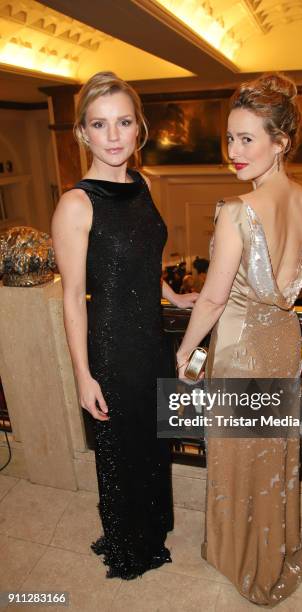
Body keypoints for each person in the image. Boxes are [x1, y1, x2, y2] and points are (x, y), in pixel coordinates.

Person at [176, 73, 302, 606]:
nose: (233, 152)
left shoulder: (237, 211)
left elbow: (214, 301)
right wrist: (271, 297)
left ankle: (238, 554)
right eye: (230, 138)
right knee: (272, 451)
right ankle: (273, 545)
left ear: (280, 142)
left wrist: (186, 350)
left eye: (247, 139)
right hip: (284, 338)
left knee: (237, 454)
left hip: (241, 348)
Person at [51, 71, 197, 580]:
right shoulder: (76, 203)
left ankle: (152, 527)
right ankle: (127, 544)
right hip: (110, 349)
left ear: (140, 128)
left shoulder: (145, 184)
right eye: (99, 124)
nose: (113, 135)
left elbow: (141, 261)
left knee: (152, 445)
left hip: (151, 341)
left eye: (123, 122)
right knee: (120, 454)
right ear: (82, 133)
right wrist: (83, 375)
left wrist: (174, 293)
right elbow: (72, 298)